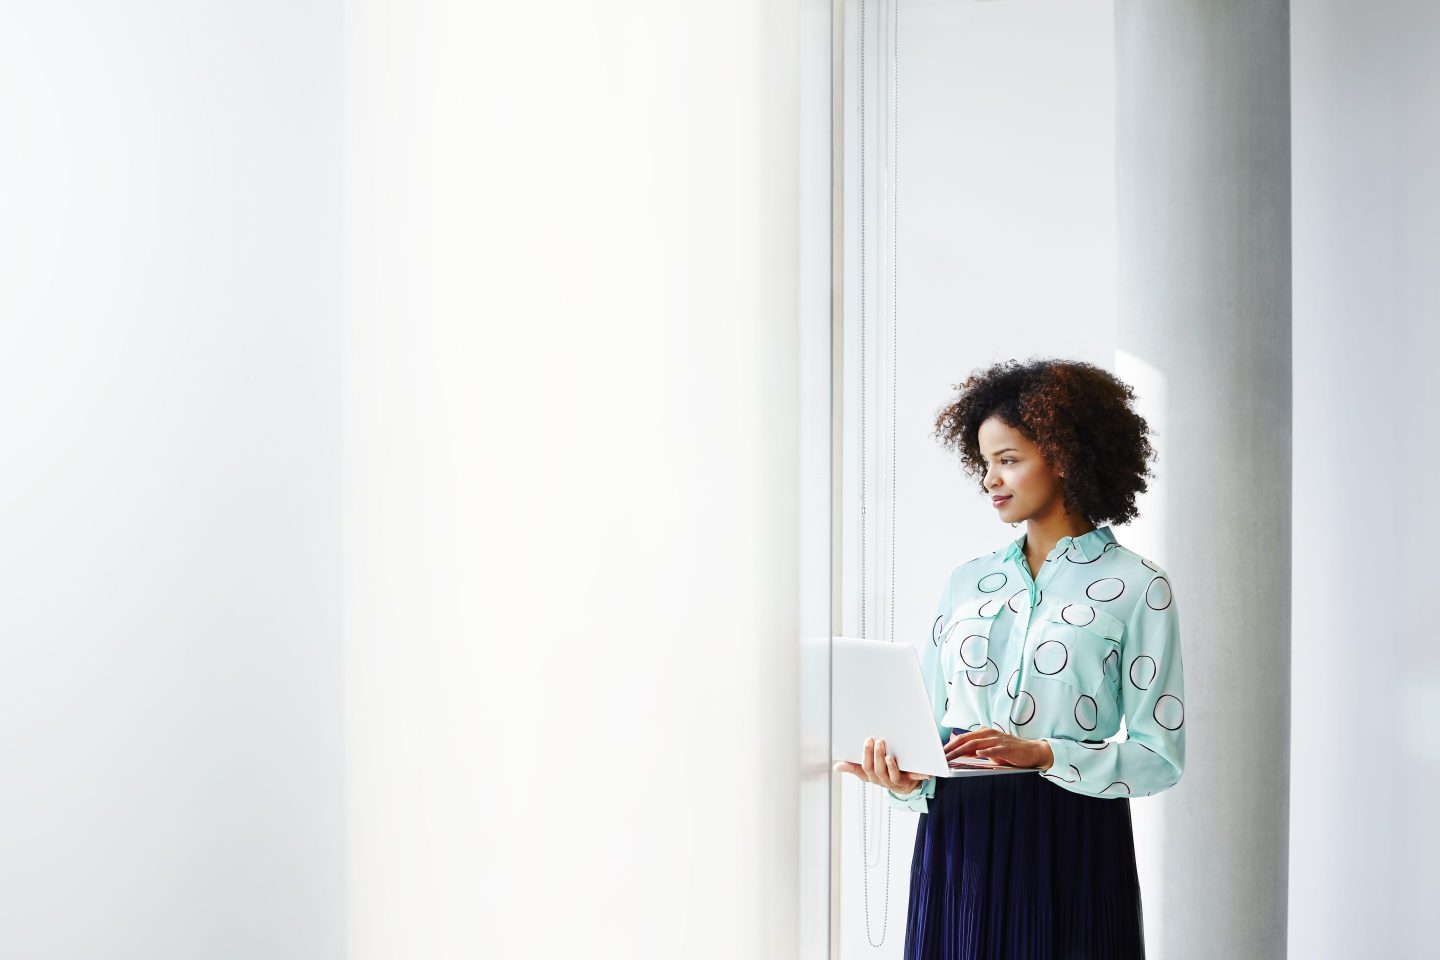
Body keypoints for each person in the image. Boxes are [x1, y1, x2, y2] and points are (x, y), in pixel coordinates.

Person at [833, 357, 1186, 959]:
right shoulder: (967, 582)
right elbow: (927, 726)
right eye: (985, 463)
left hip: (1070, 838)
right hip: (958, 836)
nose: (990, 479)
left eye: (1008, 460)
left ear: (1065, 456)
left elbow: (1160, 757)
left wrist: (1044, 752)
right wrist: (902, 778)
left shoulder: (1139, 586)